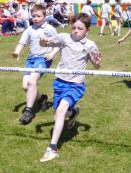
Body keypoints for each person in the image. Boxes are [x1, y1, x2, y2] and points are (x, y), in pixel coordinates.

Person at [39, 13, 102, 162]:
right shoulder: (64, 38)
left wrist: (98, 61)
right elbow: (45, 44)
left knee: (60, 112)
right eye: (74, 27)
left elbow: (97, 66)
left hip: (76, 84)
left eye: (80, 28)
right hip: (60, 81)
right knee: (58, 113)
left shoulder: (90, 45)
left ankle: (53, 148)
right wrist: (43, 41)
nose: (75, 31)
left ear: (87, 30)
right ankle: (73, 113)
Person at [12, 4, 59, 124]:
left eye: (38, 16)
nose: (35, 18)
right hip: (31, 59)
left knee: (32, 81)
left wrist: (52, 54)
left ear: (45, 16)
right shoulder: (29, 29)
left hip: (43, 60)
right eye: (33, 16)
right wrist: (17, 52)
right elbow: (22, 43)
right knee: (25, 86)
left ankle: (28, 112)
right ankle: (42, 98)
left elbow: (59, 44)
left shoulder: (49, 29)